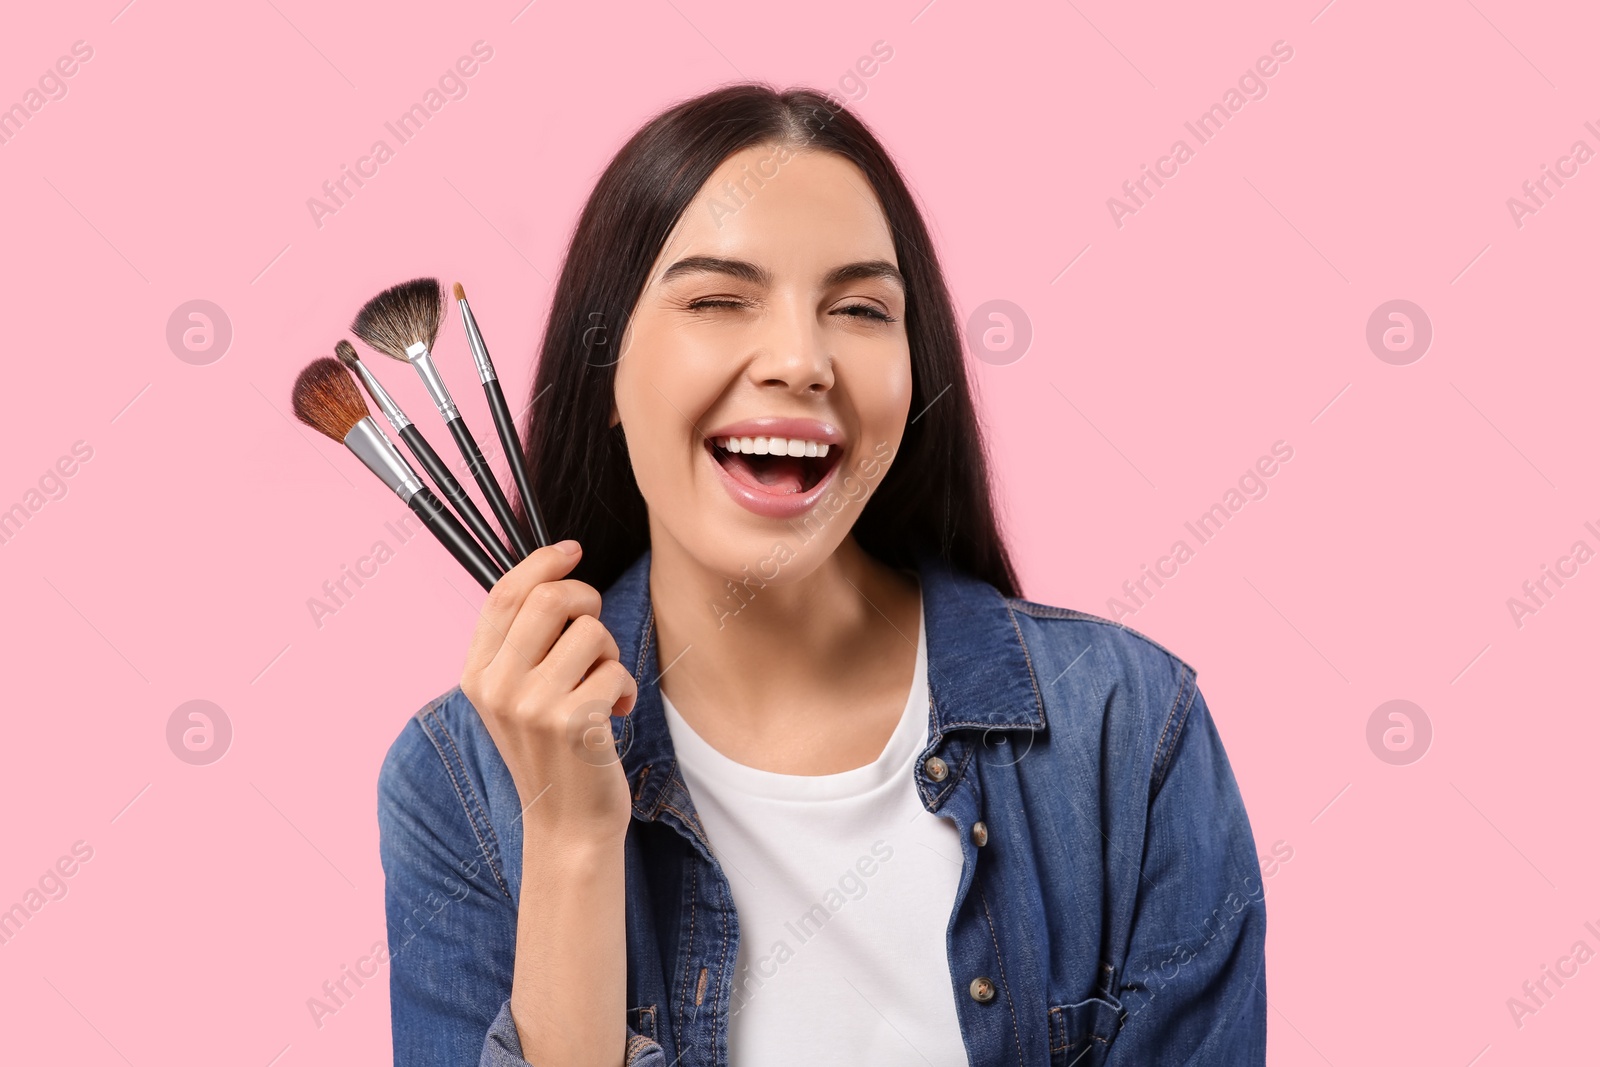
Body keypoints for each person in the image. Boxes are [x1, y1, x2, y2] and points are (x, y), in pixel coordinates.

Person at [377, 83, 1267, 1067]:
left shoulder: (1129, 726)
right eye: (718, 299)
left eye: (858, 308)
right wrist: (575, 844)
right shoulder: (456, 783)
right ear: (608, 372)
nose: (801, 360)